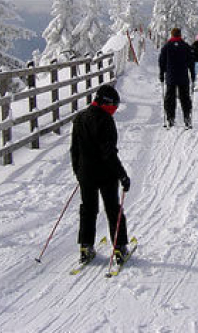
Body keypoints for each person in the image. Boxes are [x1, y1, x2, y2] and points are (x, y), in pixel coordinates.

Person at [70, 84, 131, 265]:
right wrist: (122, 175)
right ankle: (119, 248)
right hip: (106, 174)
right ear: (107, 103)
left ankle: (85, 246)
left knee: (88, 209)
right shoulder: (105, 120)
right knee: (113, 209)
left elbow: (74, 149)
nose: (114, 111)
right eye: (114, 107)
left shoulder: (79, 118)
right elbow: (108, 153)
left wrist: (78, 171)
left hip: (86, 173)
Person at [159, 27, 195, 128]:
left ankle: (170, 118)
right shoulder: (186, 46)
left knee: (170, 97)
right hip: (183, 76)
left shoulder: (166, 47)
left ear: (172, 35)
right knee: (185, 97)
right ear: (180, 35)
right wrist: (193, 75)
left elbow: (161, 62)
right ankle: (187, 117)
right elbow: (191, 62)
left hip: (171, 76)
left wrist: (161, 74)